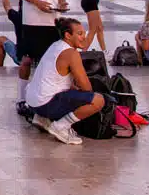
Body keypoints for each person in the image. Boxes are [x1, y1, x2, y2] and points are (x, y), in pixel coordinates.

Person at [22, 17, 106, 145]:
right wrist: (85, 96)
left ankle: (41, 119)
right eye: (79, 34)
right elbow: (87, 88)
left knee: (72, 92)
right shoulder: (71, 54)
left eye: (84, 33)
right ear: (68, 35)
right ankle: (60, 127)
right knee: (98, 100)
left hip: (33, 102)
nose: (84, 37)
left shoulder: (56, 45)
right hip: (45, 104)